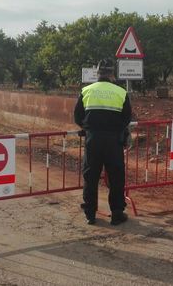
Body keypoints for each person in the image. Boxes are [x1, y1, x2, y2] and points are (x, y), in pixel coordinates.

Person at [74, 59, 132, 225]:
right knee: (116, 178)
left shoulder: (86, 91)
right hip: (114, 141)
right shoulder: (121, 92)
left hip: (93, 140)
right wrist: (117, 130)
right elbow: (126, 118)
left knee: (90, 177)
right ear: (112, 74)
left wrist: (88, 128)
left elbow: (78, 116)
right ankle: (116, 214)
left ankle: (90, 214)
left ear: (97, 74)